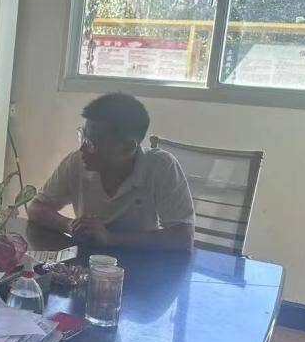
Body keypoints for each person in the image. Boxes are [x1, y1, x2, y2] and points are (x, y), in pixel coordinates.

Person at [28, 92, 194, 251]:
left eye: (92, 143)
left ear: (127, 148)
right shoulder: (77, 162)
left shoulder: (161, 166)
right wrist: (69, 225)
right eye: (82, 137)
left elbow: (183, 237)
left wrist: (110, 238)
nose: (83, 148)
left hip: (140, 259)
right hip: (88, 259)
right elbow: (36, 208)